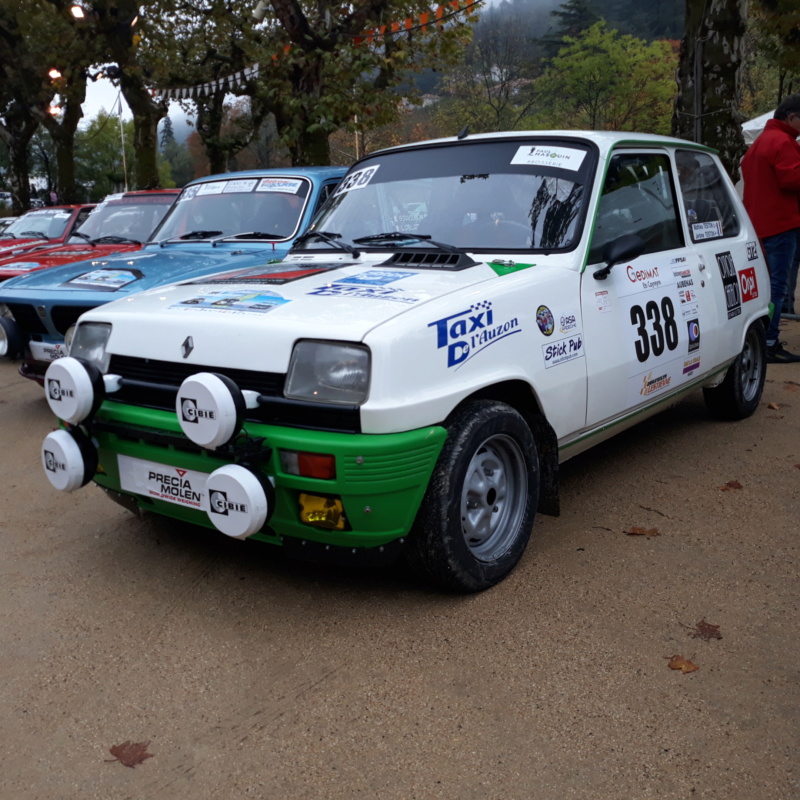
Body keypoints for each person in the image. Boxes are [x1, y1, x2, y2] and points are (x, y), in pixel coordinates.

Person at [741, 94, 800, 363]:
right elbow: (791, 179)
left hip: (759, 223)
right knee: (776, 286)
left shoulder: (761, 142)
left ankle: (763, 338)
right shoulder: (783, 142)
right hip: (780, 222)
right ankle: (770, 341)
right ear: (791, 117)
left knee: (766, 285)